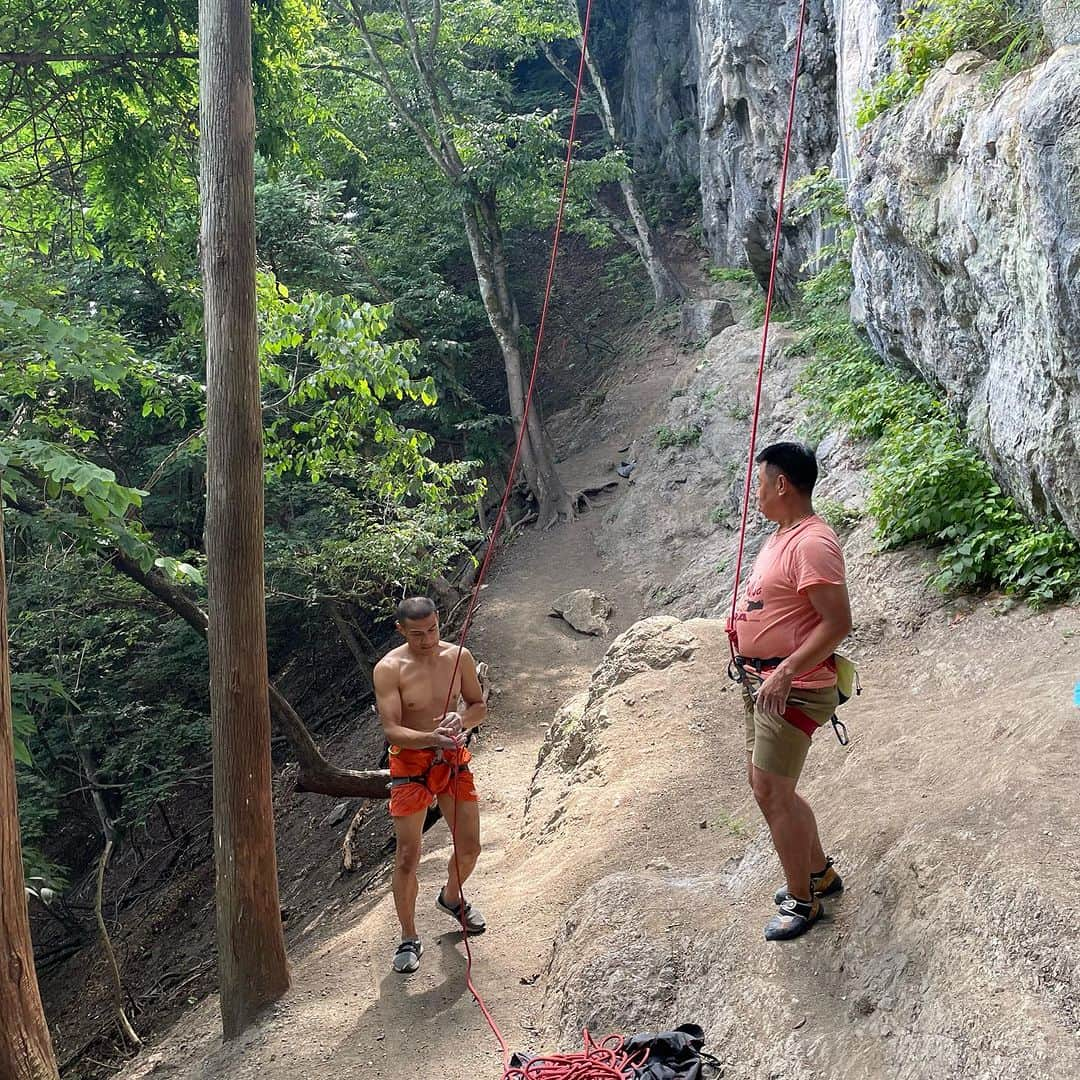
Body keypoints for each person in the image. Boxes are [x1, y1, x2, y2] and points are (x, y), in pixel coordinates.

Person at [729, 442, 852, 941]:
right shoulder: (782, 536)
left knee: (770, 791)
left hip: (792, 687)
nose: (755, 492)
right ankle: (819, 873)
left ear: (782, 484)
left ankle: (804, 901)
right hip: (768, 683)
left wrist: (784, 672)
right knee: (774, 787)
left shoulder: (813, 543)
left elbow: (837, 622)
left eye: (759, 481)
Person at [373, 596, 488, 974]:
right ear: (401, 630)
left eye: (433, 630)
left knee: (470, 847)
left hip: (450, 758)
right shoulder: (390, 668)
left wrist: (461, 719)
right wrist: (430, 739)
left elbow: (478, 706)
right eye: (418, 634)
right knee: (408, 856)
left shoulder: (459, 657)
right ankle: (408, 935)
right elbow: (392, 729)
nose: (428, 640)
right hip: (410, 761)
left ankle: (452, 897)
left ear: (440, 621)